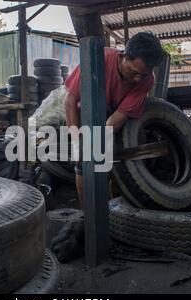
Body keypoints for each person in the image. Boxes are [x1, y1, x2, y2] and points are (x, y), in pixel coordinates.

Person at [64, 32, 166, 208]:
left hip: (113, 117)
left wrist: (100, 143)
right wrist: (76, 140)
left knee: (118, 165)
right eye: (134, 72)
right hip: (86, 113)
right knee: (84, 165)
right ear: (124, 56)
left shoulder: (147, 80)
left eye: (143, 74)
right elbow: (70, 100)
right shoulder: (99, 60)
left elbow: (119, 116)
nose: (137, 79)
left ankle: (116, 213)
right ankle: (87, 215)